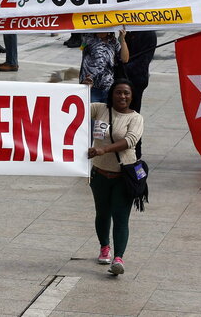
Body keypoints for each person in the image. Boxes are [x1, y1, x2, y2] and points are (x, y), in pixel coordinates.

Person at [87, 79, 145, 275]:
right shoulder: (100, 109)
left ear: (132, 96)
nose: (122, 96)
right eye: (118, 92)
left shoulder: (136, 118)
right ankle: (104, 247)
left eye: (126, 93)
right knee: (102, 213)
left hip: (124, 175)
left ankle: (118, 258)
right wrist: (86, 88)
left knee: (120, 217)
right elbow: (77, 105)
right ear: (111, 94)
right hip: (99, 174)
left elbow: (130, 141)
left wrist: (103, 149)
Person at [80, 27, 130, 102]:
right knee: (93, 112)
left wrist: (122, 40)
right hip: (91, 86)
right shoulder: (88, 39)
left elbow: (125, 59)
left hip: (108, 87)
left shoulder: (113, 41)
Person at [123, 31, 157, 113]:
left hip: (136, 79)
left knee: (132, 111)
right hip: (122, 78)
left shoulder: (148, 33)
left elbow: (144, 60)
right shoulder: (128, 31)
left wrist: (123, 68)